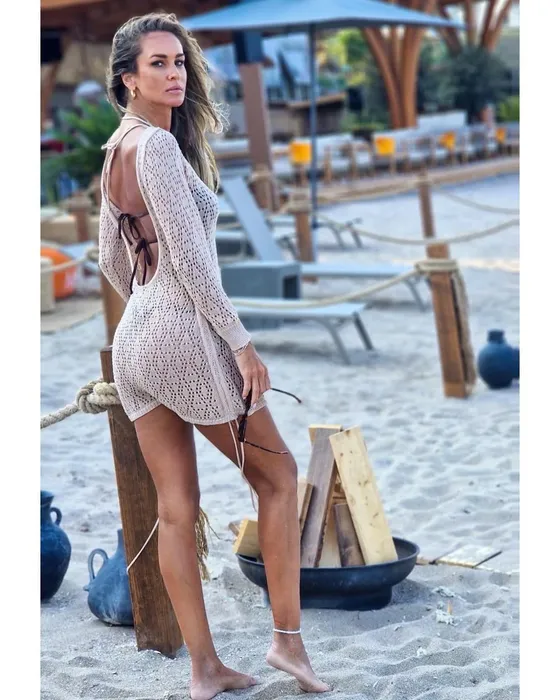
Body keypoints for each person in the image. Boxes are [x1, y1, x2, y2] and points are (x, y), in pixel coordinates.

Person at [98, 12, 330, 700]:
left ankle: (204, 670)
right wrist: (241, 344)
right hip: (180, 333)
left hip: (135, 340)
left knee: (176, 509)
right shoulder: (157, 149)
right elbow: (195, 263)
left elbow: (112, 261)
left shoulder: (115, 149)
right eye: (158, 63)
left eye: (178, 62)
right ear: (127, 78)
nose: (174, 74)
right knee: (279, 478)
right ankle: (287, 643)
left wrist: (149, 305)